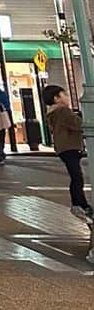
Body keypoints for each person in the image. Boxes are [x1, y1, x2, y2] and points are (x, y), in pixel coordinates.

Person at [44, 84, 94, 223]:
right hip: (70, 147)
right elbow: (78, 124)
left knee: (75, 175)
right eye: (64, 94)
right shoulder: (63, 111)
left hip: (63, 148)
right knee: (77, 177)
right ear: (56, 98)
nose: (66, 97)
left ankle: (79, 203)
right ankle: (79, 204)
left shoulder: (52, 113)